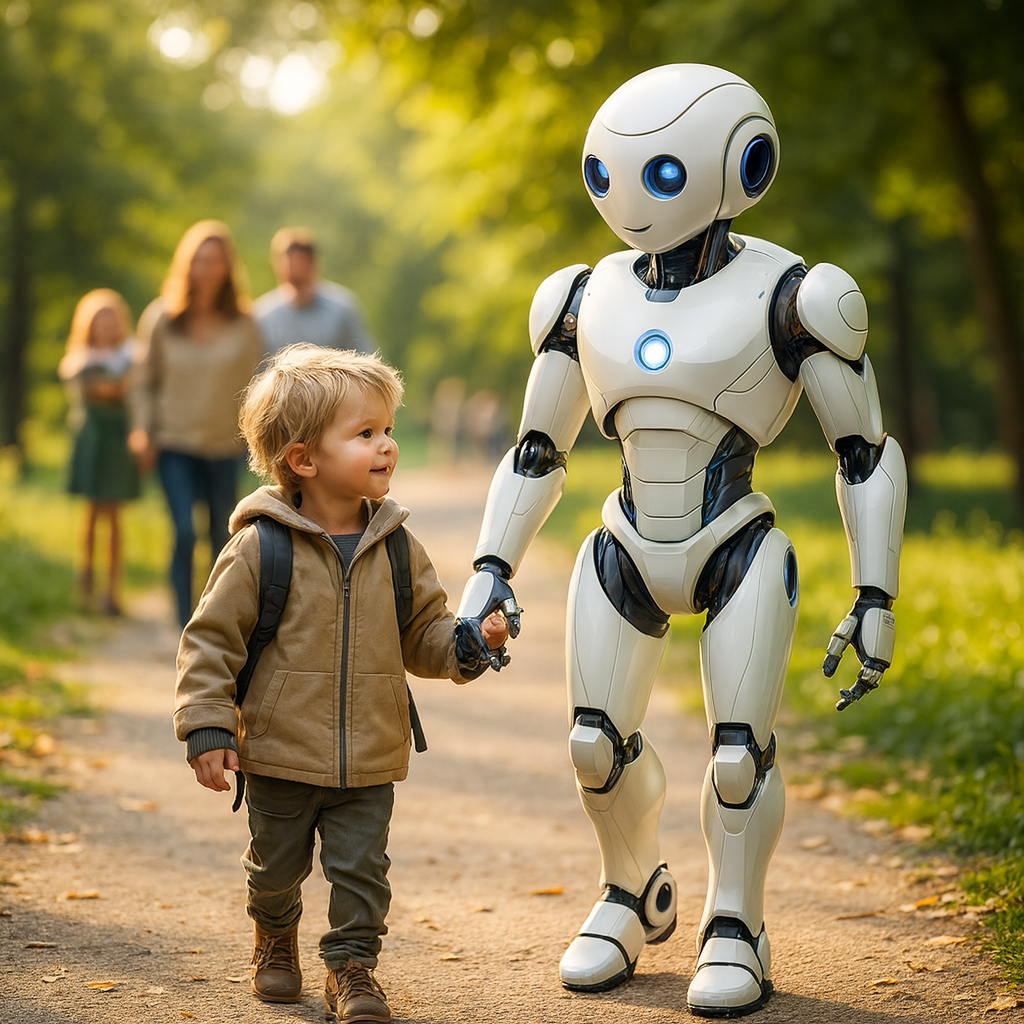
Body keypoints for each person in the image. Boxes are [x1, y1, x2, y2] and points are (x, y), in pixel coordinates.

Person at [455, 64, 906, 1017]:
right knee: (591, 746)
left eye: (660, 176)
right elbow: (539, 447)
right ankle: (631, 893)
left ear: (744, 165)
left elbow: (863, 452)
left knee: (739, 751)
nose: (629, 203)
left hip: (735, 544)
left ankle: (735, 921)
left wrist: (876, 597)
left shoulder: (794, 296)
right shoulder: (583, 296)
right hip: (623, 542)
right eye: (605, 178)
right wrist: (489, 567)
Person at [172, 345, 510, 1022]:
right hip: (278, 752)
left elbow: (425, 633)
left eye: (387, 430)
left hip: (370, 754)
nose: (386, 446)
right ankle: (274, 936)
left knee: (362, 873)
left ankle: (351, 967)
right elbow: (211, 642)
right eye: (365, 434)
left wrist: (470, 643)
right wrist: (207, 725)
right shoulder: (260, 546)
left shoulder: (396, 544)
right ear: (303, 459)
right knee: (274, 871)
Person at [129, 220, 264, 628]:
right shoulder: (162, 317)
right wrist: (141, 430)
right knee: (184, 531)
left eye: (216, 260)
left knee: (222, 536)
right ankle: (183, 621)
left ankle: (214, 618)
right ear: (187, 264)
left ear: (228, 267)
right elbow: (142, 381)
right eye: (200, 259)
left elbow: (258, 386)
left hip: (225, 445)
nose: (207, 268)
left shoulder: (246, 323)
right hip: (173, 442)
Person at [59, 288, 141, 615]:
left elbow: (120, 389)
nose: (106, 326)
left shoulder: (130, 355)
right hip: (93, 438)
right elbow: (102, 388)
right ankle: (87, 577)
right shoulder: (81, 359)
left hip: (117, 439)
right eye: (99, 319)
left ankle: (112, 587)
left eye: (111, 319)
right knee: (92, 512)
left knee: (115, 514)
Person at [253, 227, 374, 356]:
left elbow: (364, 354)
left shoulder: (342, 309)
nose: (296, 275)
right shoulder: (263, 316)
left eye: (300, 269)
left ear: (313, 265)